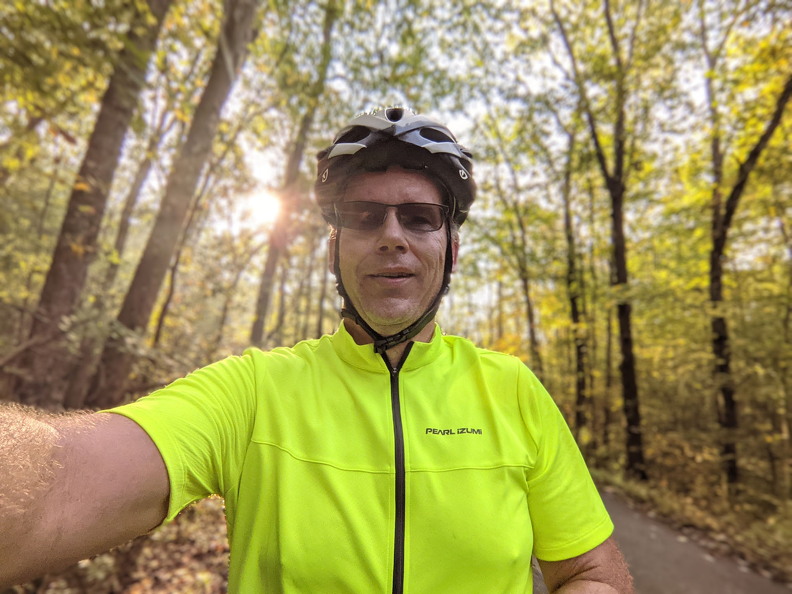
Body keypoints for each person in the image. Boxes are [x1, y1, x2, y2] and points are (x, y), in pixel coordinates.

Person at [0, 107, 633, 592]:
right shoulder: (254, 392)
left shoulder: (512, 390)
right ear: (333, 247)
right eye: (363, 216)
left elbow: (592, 571)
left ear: (452, 248)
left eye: (419, 217)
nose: (392, 236)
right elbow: (56, 483)